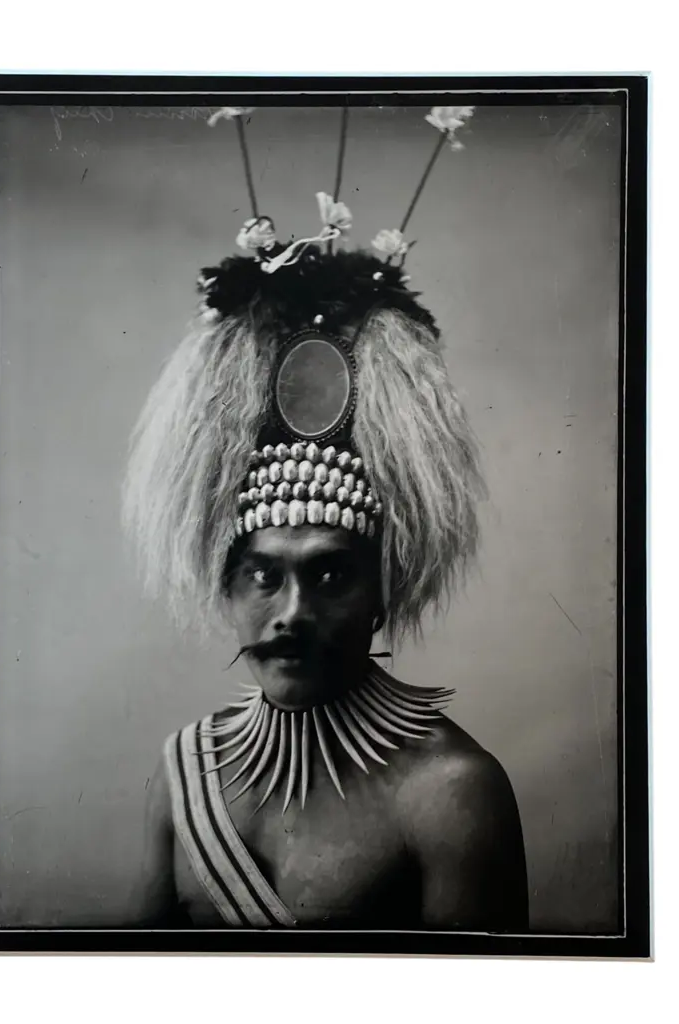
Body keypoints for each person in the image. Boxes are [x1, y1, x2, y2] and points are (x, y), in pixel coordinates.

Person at [121, 106, 528, 930]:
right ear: (225, 586)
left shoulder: (451, 791)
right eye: (263, 574)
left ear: (383, 589)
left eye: (332, 573)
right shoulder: (184, 772)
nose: (292, 613)